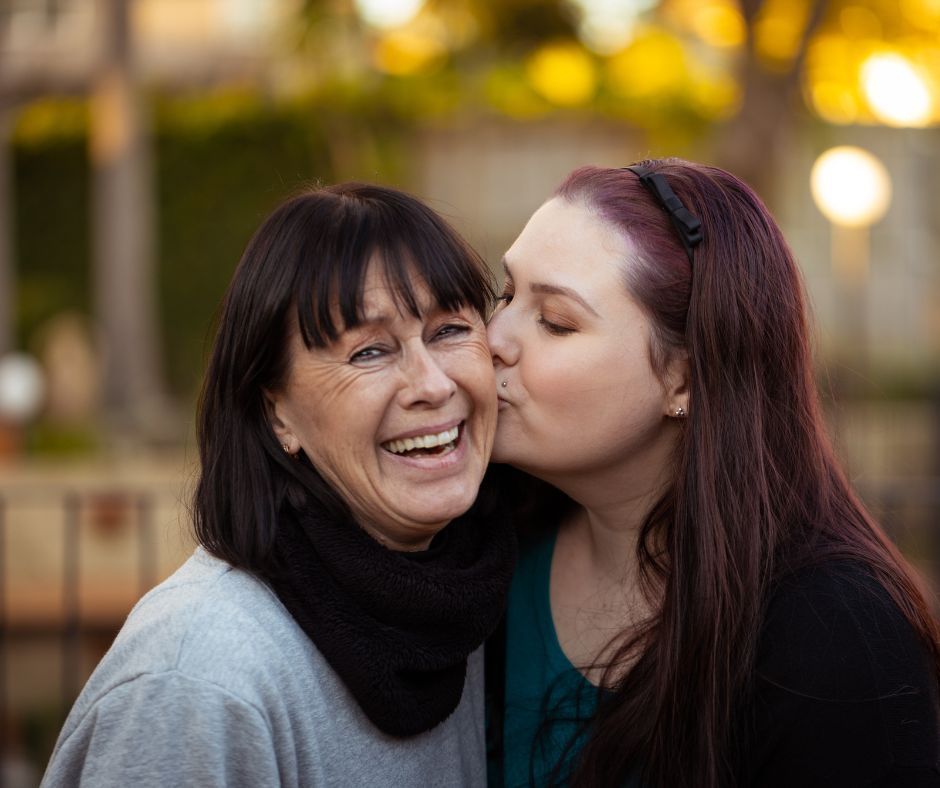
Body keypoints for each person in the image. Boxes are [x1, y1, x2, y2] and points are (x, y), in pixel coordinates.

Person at [41, 183, 516, 787]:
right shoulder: (197, 683)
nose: (432, 384)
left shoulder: (470, 603)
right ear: (276, 414)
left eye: (449, 331)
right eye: (369, 352)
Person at [485, 159, 940, 787]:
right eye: (504, 295)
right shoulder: (483, 546)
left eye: (555, 321)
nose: (490, 338)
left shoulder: (836, 636)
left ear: (687, 377)